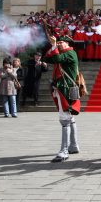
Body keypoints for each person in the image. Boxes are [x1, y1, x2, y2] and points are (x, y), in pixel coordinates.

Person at [43, 35, 82, 163]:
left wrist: (54, 46)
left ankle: (64, 151)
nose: (59, 44)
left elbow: (57, 58)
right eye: (58, 42)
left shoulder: (70, 53)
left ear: (67, 44)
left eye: (61, 43)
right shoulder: (62, 53)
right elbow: (48, 58)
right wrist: (53, 45)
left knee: (65, 118)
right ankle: (73, 146)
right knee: (70, 118)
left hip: (67, 88)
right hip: (65, 88)